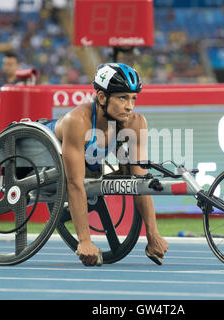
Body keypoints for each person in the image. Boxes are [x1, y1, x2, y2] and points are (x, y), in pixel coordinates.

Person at [44, 63, 168, 266]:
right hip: (45, 150)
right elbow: (75, 184)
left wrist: (153, 234)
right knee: (77, 179)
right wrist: (84, 241)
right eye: (122, 98)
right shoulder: (78, 121)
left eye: (133, 98)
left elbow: (139, 181)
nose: (130, 106)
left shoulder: (135, 122)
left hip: (89, 164)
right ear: (102, 97)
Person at [0, 51, 20, 118]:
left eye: (10, 64)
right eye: (5, 64)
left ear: (17, 66)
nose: (6, 67)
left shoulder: (22, 85)